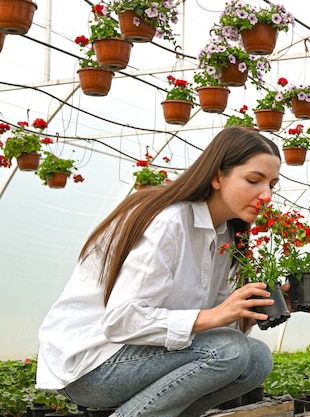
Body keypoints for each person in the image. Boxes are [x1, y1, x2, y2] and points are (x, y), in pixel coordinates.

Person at [36, 127, 284, 417]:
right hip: (92, 363)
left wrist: (256, 310)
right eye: (254, 180)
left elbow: (216, 332)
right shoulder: (169, 221)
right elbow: (120, 322)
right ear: (217, 176)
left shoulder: (226, 236)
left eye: (272, 185)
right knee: (229, 351)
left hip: (141, 357)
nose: (266, 195)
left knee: (256, 358)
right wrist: (214, 315)